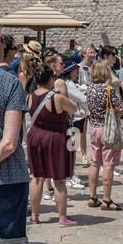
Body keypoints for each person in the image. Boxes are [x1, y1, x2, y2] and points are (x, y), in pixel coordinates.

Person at [23, 57, 77, 227]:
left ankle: (35, 215)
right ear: (50, 79)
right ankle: (62, 217)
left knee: (37, 177)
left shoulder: (29, 97)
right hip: (55, 137)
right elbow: (73, 108)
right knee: (59, 179)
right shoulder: (57, 97)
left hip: (35, 136)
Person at [84, 59, 123, 211]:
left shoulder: (90, 89)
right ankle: (106, 199)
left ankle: (93, 196)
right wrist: (122, 110)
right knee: (108, 164)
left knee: (95, 162)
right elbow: (118, 110)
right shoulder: (108, 90)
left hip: (94, 128)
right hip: (108, 129)